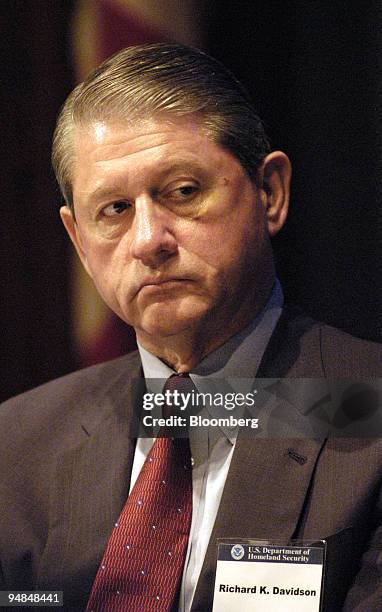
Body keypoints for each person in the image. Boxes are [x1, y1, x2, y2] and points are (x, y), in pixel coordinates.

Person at [0, 43, 381, 612]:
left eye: (183, 192)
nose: (150, 239)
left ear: (270, 193)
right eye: (114, 210)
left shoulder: (367, 405)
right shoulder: (16, 442)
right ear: (79, 242)